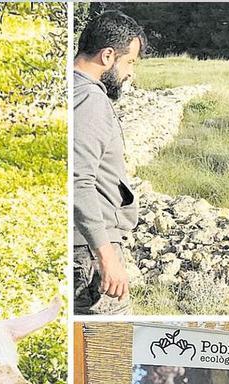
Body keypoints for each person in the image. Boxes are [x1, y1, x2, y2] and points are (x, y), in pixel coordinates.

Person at [72, 10, 145, 315]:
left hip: (82, 244)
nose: (130, 73)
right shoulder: (91, 99)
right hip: (89, 249)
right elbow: (77, 179)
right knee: (112, 342)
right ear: (107, 56)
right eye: (129, 62)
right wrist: (105, 254)